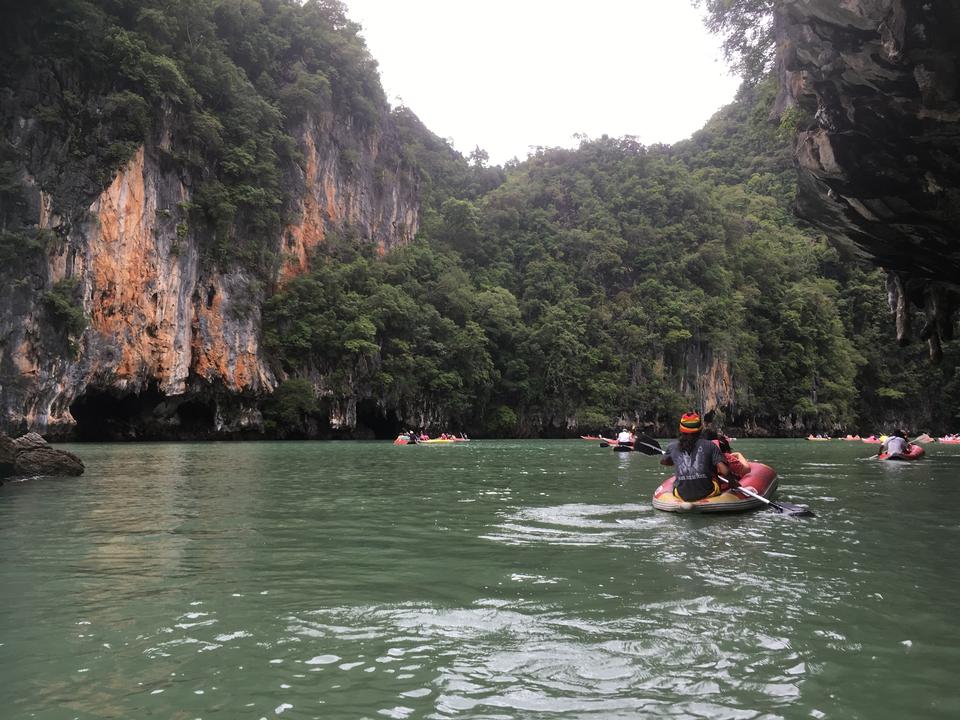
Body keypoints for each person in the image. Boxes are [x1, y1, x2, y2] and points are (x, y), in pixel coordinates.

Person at [661, 412, 730, 502]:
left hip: (682, 495)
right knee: (714, 478)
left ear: (681, 430)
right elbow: (725, 471)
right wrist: (732, 482)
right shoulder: (711, 445)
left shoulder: (672, 446)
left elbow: (664, 461)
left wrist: (675, 459)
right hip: (707, 493)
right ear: (700, 430)